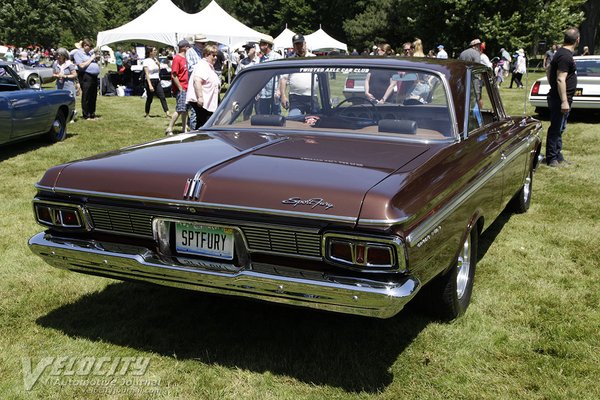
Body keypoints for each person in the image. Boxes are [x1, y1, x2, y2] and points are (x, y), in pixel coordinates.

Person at [546, 27, 580, 167]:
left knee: (560, 128)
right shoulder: (565, 56)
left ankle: (558, 156)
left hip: (559, 97)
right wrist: (564, 101)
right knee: (556, 128)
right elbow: (560, 79)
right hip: (560, 99)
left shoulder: (560, 53)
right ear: (577, 40)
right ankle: (552, 158)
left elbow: (549, 72)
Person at [279, 34, 316, 115]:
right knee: (293, 120)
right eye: (297, 44)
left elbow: (323, 78)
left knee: (316, 122)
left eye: (301, 44)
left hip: (312, 97)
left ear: (305, 43)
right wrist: (283, 96)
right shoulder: (290, 61)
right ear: (293, 46)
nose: (300, 46)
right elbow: (283, 79)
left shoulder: (314, 58)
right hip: (295, 98)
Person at [186, 44, 221, 129]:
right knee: (203, 124)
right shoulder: (202, 65)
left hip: (207, 101)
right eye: (213, 55)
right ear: (206, 55)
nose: (216, 58)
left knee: (205, 123)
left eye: (216, 55)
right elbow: (197, 81)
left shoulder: (208, 66)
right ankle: (199, 139)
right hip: (203, 102)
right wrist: (200, 97)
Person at [166, 40, 190, 135]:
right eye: (188, 47)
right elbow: (174, 75)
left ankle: (184, 129)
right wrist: (180, 87)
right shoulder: (177, 59)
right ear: (184, 47)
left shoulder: (186, 58)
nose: (189, 48)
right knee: (180, 109)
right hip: (182, 87)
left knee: (185, 110)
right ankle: (170, 128)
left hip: (187, 87)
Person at [73, 38, 101, 120]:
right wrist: (92, 58)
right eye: (89, 46)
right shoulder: (78, 54)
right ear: (85, 46)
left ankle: (92, 113)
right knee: (86, 95)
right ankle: (86, 114)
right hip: (86, 76)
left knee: (93, 95)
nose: (91, 48)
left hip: (94, 76)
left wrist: (95, 58)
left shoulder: (89, 54)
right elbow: (81, 66)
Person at [186, 34, 209, 130]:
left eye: (205, 43)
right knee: (195, 110)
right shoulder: (190, 52)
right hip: (195, 82)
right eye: (203, 43)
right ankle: (193, 132)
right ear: (197, 43)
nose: (204, 45)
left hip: (204, 83)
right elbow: (191, 68)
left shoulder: (204, 52)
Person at [256, 35, 283, 114]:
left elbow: (281, 76)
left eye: (260, 44)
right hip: (263, 93)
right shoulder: (261, 58)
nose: (259, 46)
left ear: (266, 45)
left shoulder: (277, 57)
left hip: (274, 92)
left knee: (276, 115)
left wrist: (278, 90)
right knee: (264, 115)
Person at [142, 46, 170, 118]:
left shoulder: (155, 59)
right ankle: (147, 113)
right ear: (150, 52)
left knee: (162, 96)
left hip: (157, 80)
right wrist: (150, 85)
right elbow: (147, 74)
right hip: (150, 80)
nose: (156, 52)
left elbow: (158, 71)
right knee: (150, 98)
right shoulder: (146, 61)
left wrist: (158, 64)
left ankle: (167, 112)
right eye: (154, 50)